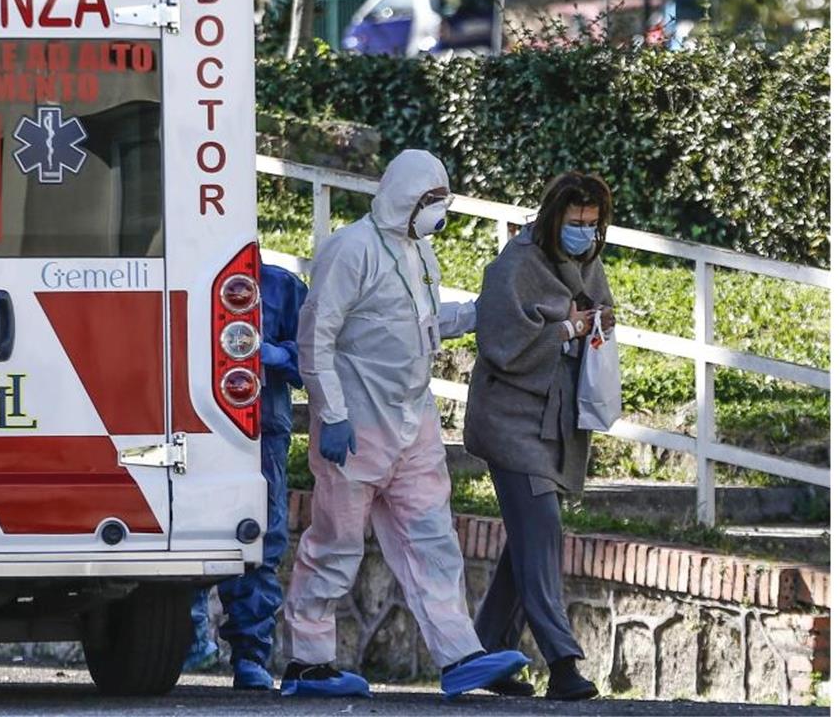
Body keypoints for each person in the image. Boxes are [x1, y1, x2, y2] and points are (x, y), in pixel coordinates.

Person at [281, 149, 530, 699]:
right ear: (404, 196)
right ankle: (307, 660)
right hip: (355, 426)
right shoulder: (351, 250)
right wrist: (333, 414)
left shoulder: (419, 253)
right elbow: (316, 335)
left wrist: (479, 312)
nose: (437, 210)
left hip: (411, 424)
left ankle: (460, 655)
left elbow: (421, 322)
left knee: (433, 540)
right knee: (336, 544)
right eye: (430, 200)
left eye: (441, 200)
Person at [464, 171, 617, 701]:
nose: (584, 231)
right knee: (543, 531)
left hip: (553, 422)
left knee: (527, 542)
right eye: (576, 222)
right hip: (510, 420)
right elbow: (502, 339)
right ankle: (563, 661)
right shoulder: (516, 262)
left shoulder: (585, 260)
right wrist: (569, 328)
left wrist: (595, 322)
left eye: (593, 224)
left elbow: (599, 308)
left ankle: (487, 651)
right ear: (555, 215)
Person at [184, 262, 308, 691]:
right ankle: (188, 633)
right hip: (195, 426)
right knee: (187, 532)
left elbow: (314, 352)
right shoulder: (187, 274)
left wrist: (280, 354)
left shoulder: (280, 286)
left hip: (261, 432)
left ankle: (251, 657)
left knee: (261, 542)